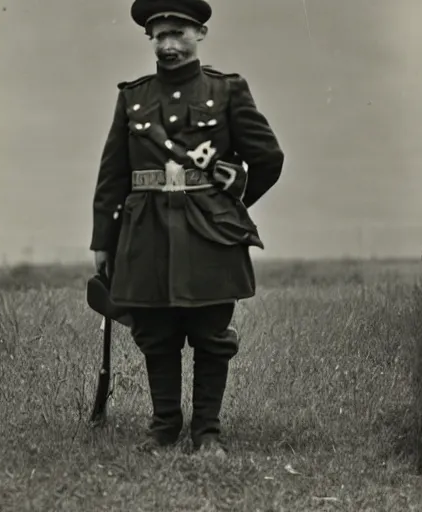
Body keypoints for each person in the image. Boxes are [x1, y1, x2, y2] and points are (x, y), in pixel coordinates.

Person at [90, 0, 285, 456]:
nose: (169, 44)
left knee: (211, 334)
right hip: (146, 234)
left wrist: (228, 206)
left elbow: (268, 159)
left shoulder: (227, 91)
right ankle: (163, 429)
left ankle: (207, 433)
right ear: (151, 40)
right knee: (154, 332)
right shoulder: (133, 97)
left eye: (178, 33)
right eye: (160, 36)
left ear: (200, 34)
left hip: (208, 235)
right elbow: (112, 176)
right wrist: (103, 240)